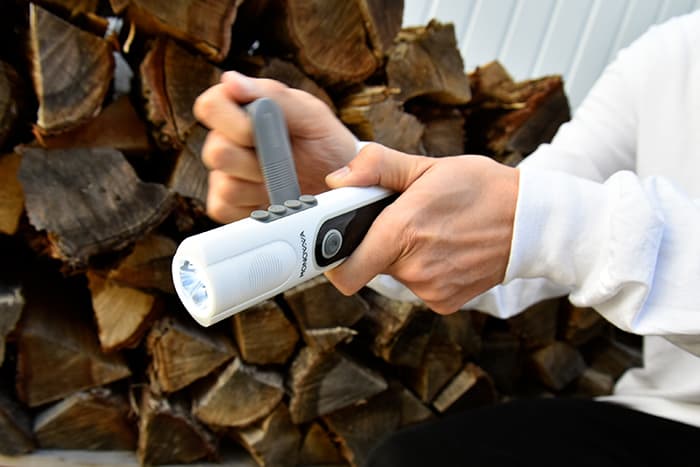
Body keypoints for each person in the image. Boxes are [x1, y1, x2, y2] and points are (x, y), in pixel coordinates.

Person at [193, 9, 700, 466]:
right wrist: (345, 185)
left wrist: (545, 223)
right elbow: (537, 219)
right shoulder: (669, 55)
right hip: (663, 418)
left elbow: (547, 220)